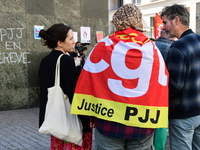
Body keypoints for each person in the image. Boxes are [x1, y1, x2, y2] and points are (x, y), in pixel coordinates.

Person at [71, 4, 169, 150]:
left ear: (116, 21)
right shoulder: (152, 48)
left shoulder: (103, 45)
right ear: (138, 21)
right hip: (142, 124)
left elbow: (89, 82)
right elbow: (161, 83)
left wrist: (90, 116)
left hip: (108, 123)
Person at [38, 23, 92, 150]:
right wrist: (86, 121)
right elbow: (73, 94)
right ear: (60, 43)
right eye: (71, 38)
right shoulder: (66, 61)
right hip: (71, 120)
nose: (74, 42)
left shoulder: (45, 61)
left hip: (56, 120)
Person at [161, 4, 200, 150]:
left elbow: (174, 86)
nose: (164, 27)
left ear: (176, 20)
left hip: (183, 114)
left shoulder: (178, 47)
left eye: (165, 22)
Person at [153, 29, 173, 150]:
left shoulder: (151, 46)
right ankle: (159, 147)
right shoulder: (173, 48)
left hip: (150, 91)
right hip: (165, 91)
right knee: (162, 123)